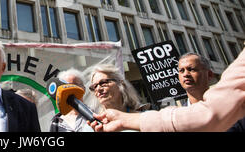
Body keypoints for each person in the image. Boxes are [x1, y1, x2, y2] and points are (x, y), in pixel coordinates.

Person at [88, 48, 245, 132]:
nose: (186, 74)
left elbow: (206, 117)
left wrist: (126, 120)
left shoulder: (235, 108)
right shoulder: (91, 124)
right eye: (181, 70)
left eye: (191, 69)